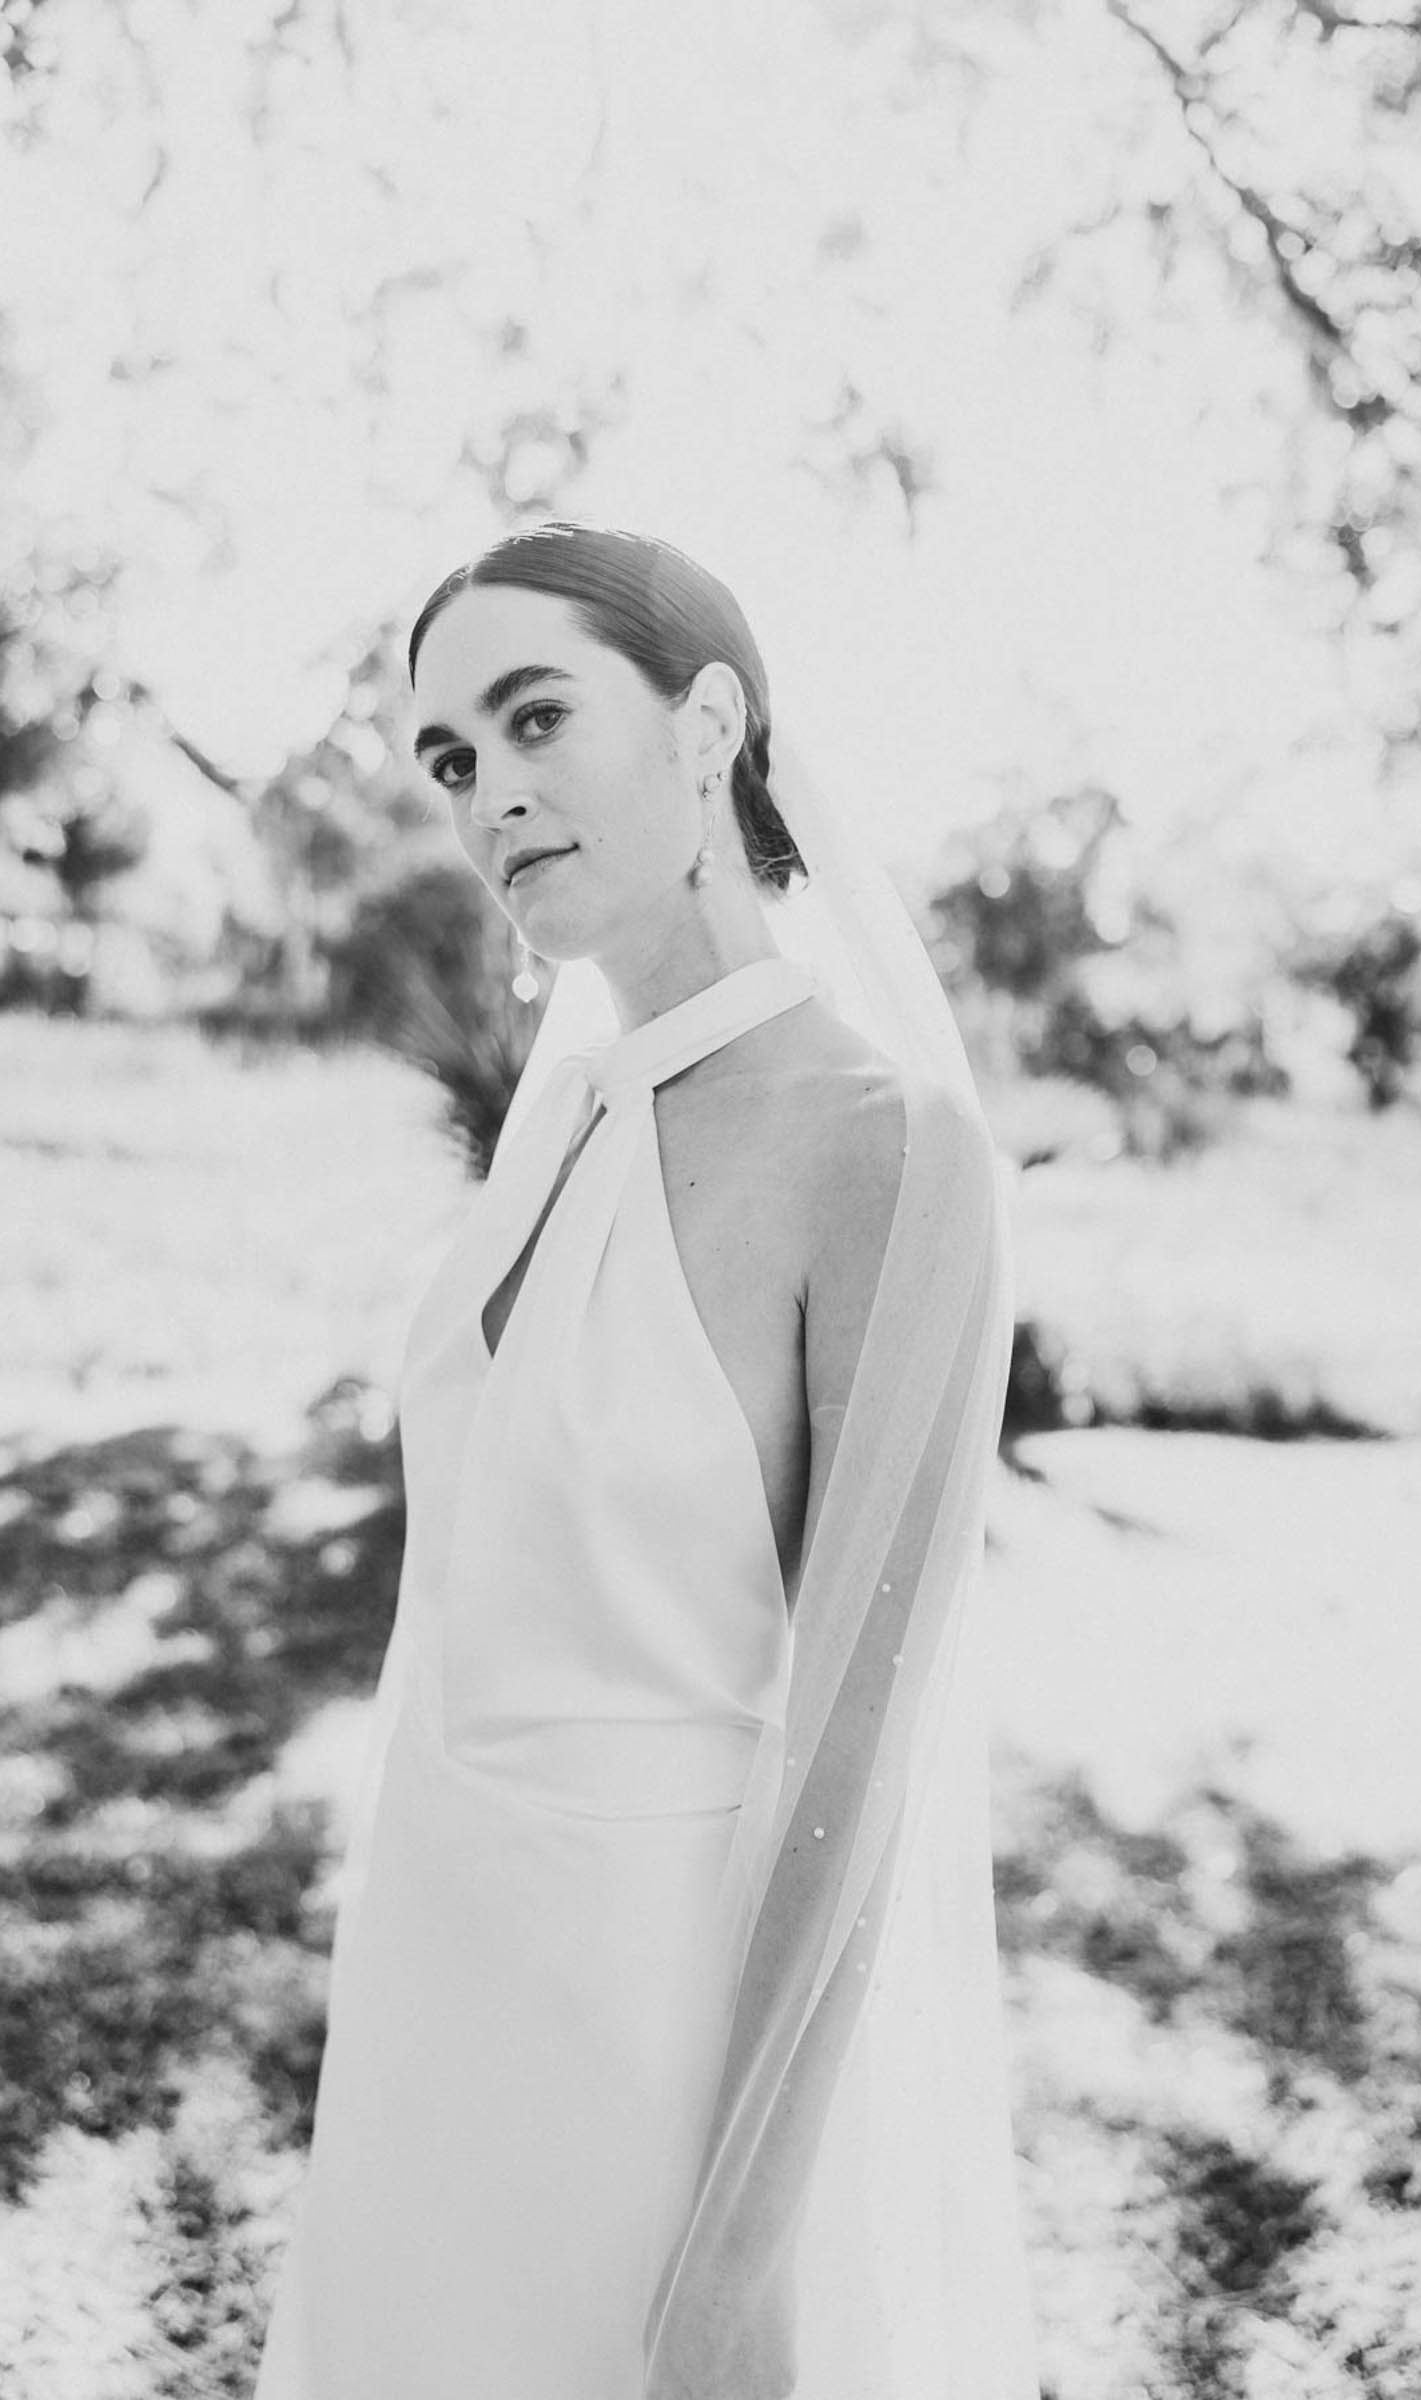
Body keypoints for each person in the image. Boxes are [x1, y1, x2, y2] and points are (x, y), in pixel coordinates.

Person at [253, 521, 1040, 2399]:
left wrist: (734, 2253)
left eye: (536, 720)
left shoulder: (886, 1145)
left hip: (662, 2055)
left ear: (707, 727)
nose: (491, 798)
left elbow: (858, 1740)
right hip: (438, 2003)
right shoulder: (568, 1128)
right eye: (452, 761)